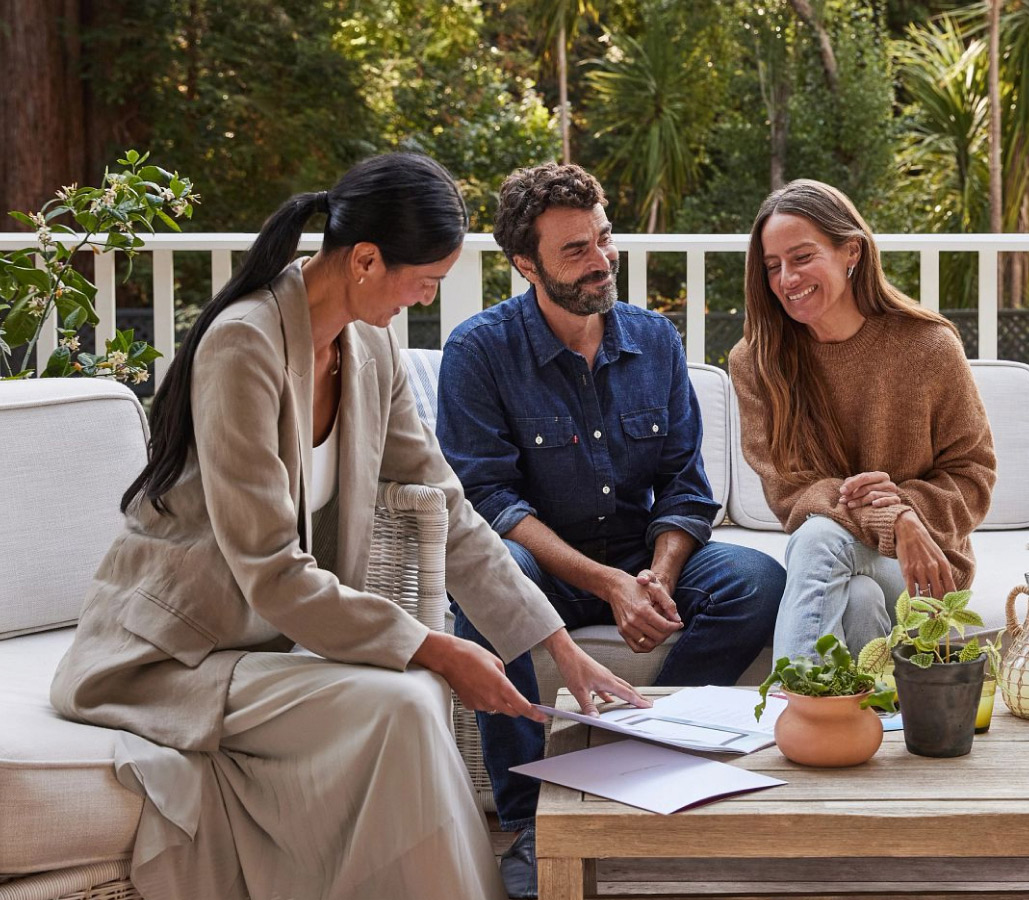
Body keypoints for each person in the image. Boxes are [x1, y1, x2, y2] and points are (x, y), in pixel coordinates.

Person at [50, 152, 646, 900]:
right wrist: (436, 646)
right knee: (404, 698)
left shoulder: (370, 349)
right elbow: (268, 569)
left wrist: (555, 643)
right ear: (364, 259)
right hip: (170, 654)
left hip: (261, 645)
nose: (427, 298)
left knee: (416, 698)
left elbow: (450, 507)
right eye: (424, 280)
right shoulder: (244, 344)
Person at [437, 162, 785, 898]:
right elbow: (488, 500)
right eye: (575, 250)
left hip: (637, 554)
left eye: (604, 238)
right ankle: (533, 818)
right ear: (524, 264)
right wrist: (604, 583)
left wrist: (656, 574)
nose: (600, 261)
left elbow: (687, 484)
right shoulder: (478, 352)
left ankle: (652, 759)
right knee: (488, 583)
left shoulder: (654, 339)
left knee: (756, 580)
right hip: (544, 573)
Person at [729, 179, 997, 665]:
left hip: (925, 568)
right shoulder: (758, 361)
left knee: (818, 537)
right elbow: (789, 491)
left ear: (850, 251)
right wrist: (892, 516)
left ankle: (795, 711)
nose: (787, 278)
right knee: (859, 599)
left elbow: (974, 476)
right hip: (841, 556)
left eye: (802, 257)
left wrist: (911, 514)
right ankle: (870, 722)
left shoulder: (927, 345)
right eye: (773, 267)